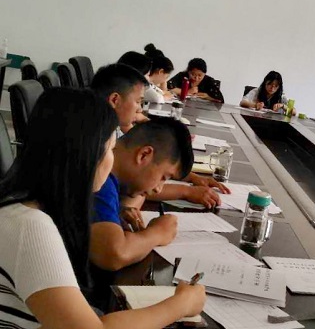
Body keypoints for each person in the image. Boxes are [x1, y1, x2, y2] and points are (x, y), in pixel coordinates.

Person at [0, 88, 205, 328]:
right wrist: (181, 304)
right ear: (86, 153)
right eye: (110, 148)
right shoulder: (29, 226)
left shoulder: (30, 203)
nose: (112, 159)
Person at [91, 64, 228, 202]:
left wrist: (191, 177)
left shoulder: (112, 129)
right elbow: (138, 180)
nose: (140, 109)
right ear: (115, 100)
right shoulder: (98, 143)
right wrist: (186, 191)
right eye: (138, 101)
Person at [90, 118, 195, 271]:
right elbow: (114, 254)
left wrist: (118, 209)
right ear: (144, 155)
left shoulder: (104, 164)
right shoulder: (101, 179)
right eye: (163, 177)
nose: (159, 189)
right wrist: (157, 233)